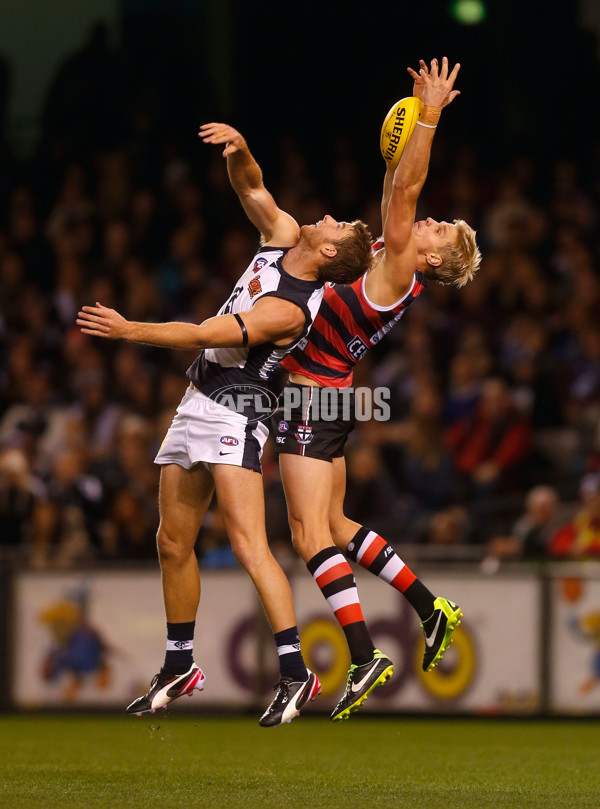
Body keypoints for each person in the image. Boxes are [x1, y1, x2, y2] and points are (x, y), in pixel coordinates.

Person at [77, 122, 373, 726]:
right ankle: (180, 662)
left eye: (337, 226)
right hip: (199, 396)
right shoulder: (287, 236)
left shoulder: (288, 309)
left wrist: (130, 329)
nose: (330, 218)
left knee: (246, 543)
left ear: (328, 253)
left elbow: (206, 332)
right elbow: (253, 190)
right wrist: (241, 151)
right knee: (171, 542)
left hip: (240, 406)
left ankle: (295, 672)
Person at [270, 57, 481, 721]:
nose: (431, 224)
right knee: (333, 524)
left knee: (308, 534)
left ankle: (363, 655)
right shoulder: (399, 270)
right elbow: (400, 194)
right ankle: (429, 606)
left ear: (438, 261)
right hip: (330, 396)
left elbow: (408, 191)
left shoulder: (399, 265)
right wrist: (404, 141)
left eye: (440, 231)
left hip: (312, 397)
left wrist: (428, 117)